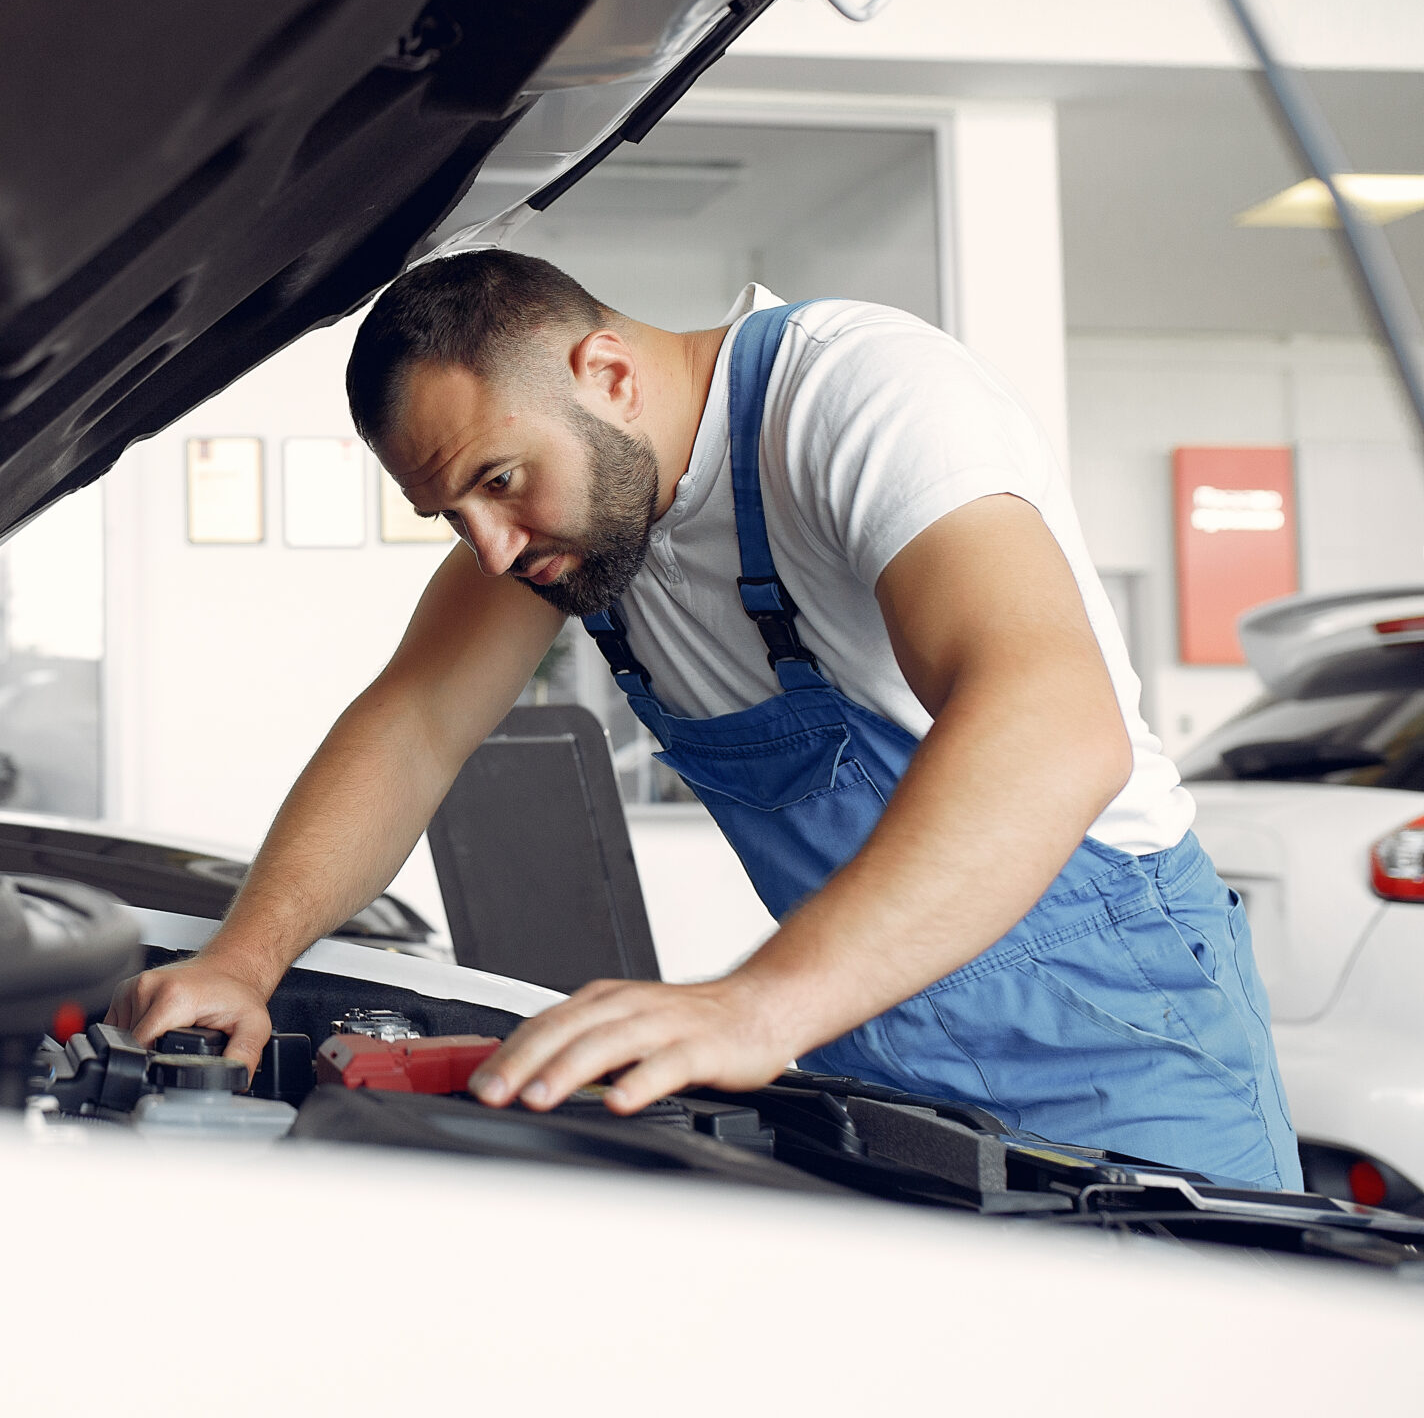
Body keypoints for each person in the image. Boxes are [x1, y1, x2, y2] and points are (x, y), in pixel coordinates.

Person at [113, 250, 1299, 1188]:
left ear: (608, 376)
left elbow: (1052, 723)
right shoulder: (573, 536)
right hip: (870, 1050)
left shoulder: (857, 393)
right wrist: (243, 959)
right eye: (449, 515)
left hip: (1124, 1036)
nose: (490, 546)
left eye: (497, 481)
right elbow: (410, 725)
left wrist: (760, 1002)